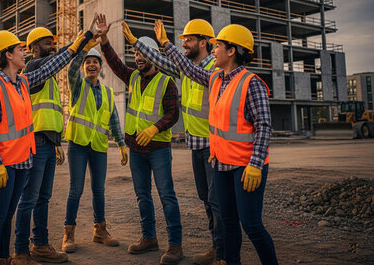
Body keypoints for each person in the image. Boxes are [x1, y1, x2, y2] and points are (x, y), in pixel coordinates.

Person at [155, 20, 278, 265]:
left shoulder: (250, 82)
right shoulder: (216, 79)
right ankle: (229, 261)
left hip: (246, 167)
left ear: (231, 51)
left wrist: (255, 164)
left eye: (217, 45)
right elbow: (189, 69)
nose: (213, 50)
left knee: (251, 225)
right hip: (220, 163)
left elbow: (264, 126)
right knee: (229, 222)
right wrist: (166, 45)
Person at [0, 29, 89, 265]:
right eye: (19, 50)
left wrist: (80, 42)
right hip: (2, 165)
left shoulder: (22, 83)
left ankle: (3, 258)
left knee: (8, 215)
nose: (23, 54)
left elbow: (52, 66)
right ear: (8, 55)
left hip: (21, 162)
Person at [121, 19, 225, 265]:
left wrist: (166, 44)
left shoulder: (214, 69)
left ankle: (223, 253)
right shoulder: (185, 67)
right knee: (207, 200)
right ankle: (217, 247)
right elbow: (161, 61)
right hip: (196, 145)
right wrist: (136, 42)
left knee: (217, 202)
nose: (185, 44)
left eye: (188, 40)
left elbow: (182, 69)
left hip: (214, 145)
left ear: (204, 42)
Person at [96, 14, 183, 265]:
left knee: (167, 195)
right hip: (136, 149)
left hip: (158, 150)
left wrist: (155, 129)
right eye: (136, 55)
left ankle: (175, 245)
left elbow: (173, 113)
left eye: (142, 55)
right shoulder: (133, 77)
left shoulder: (167, 80)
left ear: (153, 55)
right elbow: (114, 62)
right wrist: (104, 40)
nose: (138, 59)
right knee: (142, 195)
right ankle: (149, 238)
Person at [61, 42, 129, 253]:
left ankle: (100, 230)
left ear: (101, 67)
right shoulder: (77, 85)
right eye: (88, 62)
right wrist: (83, 49)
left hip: (99, 146)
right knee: (76, 189)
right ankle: (68, 234)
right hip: (79, 144)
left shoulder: (108, 93)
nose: (91, 65)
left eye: (95, 62)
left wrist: (121, 144)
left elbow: (114, 120)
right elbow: (71, 69)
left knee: (99, 190)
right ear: (83, 67)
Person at [13, 27, 69, 264]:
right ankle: (21, 250)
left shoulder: (51, 78)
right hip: (35, 142)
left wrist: (57, 142)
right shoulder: (34, 68)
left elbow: (50, 114)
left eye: (53, 44)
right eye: (47, 44)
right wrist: (80, 42)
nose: (52, 47)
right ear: (34, 48)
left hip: (47, 141)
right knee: (30, 197)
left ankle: (41, 245)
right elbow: (57, 59)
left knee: (43, 197)